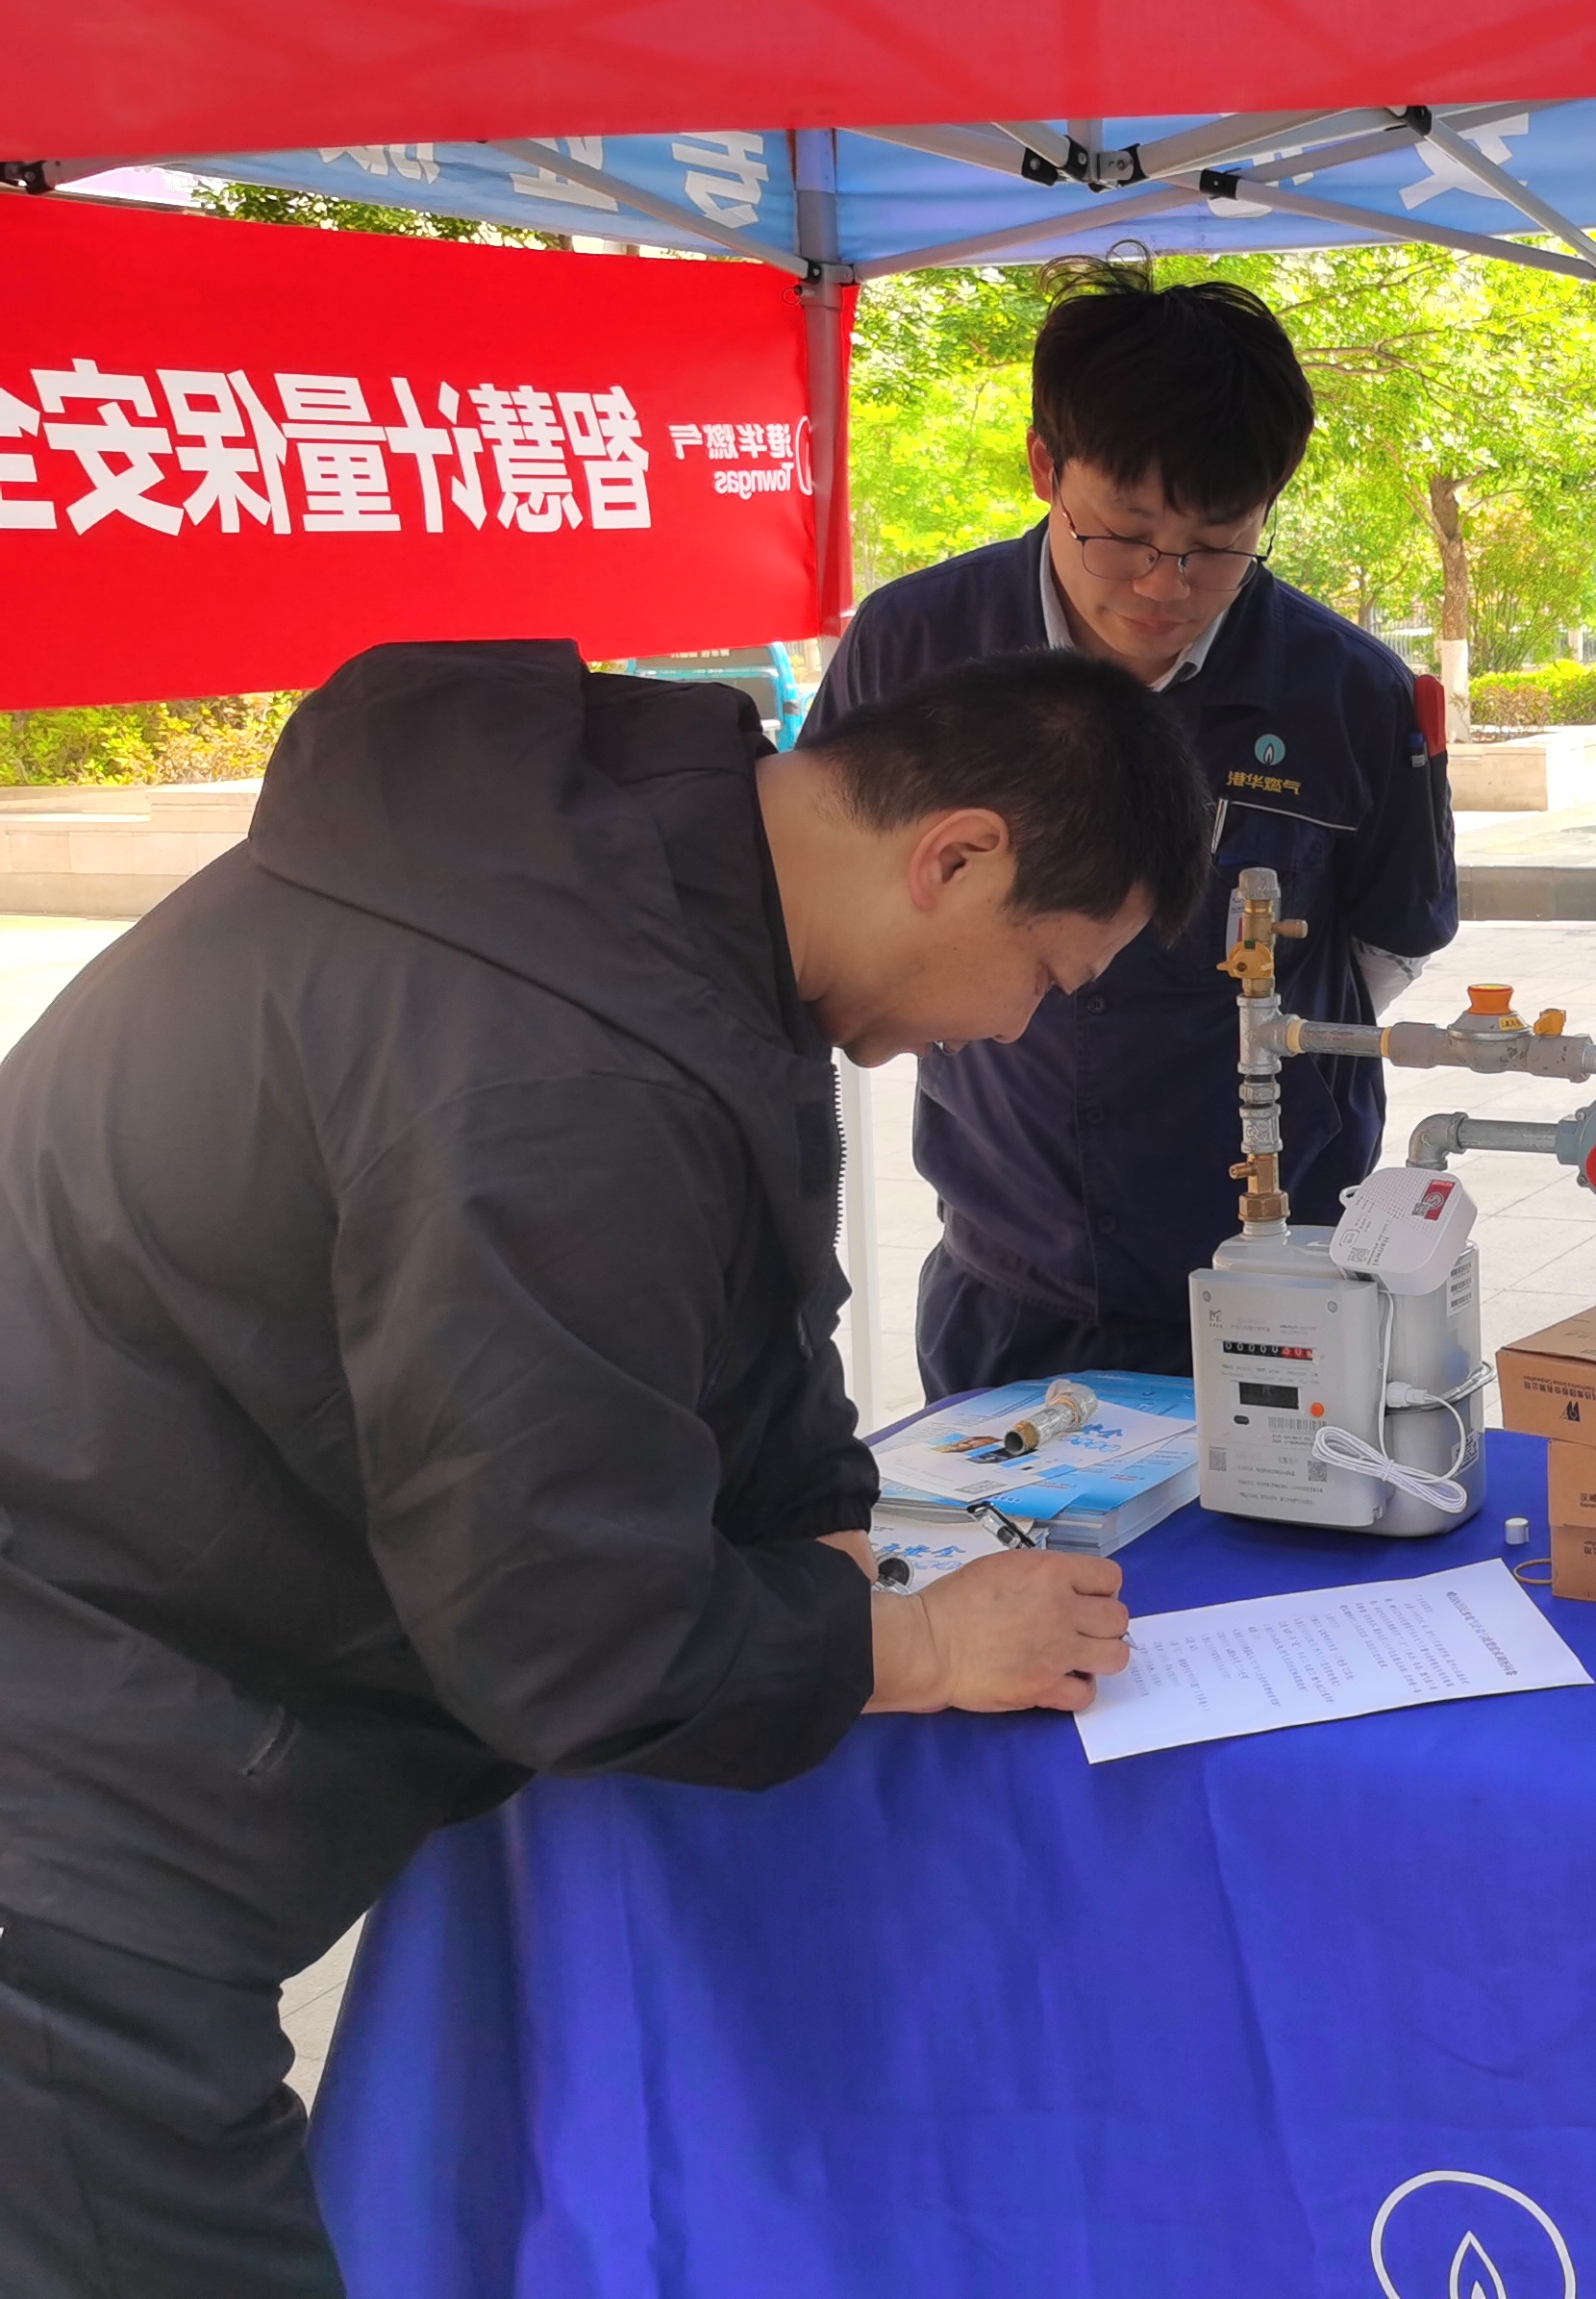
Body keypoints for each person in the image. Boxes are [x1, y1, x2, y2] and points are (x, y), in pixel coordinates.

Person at [0, 639, 1207, 2294]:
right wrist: (914, 1644)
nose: (1012, 1027)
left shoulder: (650, 892)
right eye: (1046, 975)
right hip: (73, 1783)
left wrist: (822, 1532)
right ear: (955, 858)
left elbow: (744, 1304)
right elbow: (570, 1635)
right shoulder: (556, 1064)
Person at [812, 259, 1458, 1403]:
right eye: (1124, 534)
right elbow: (829, 902)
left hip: (1282, 1280)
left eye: (1218, 542)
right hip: (1011, 1279)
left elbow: (1389, 944)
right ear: (1044, 467)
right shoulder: (914, 650)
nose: (1166, 583)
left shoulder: (1347, 692)